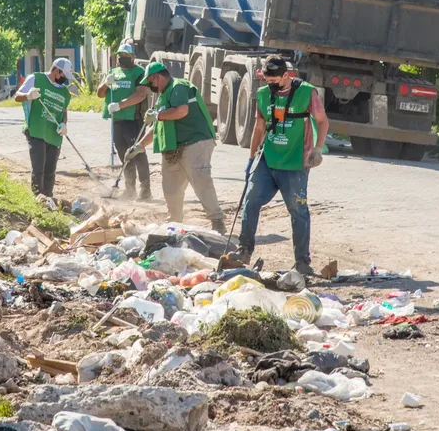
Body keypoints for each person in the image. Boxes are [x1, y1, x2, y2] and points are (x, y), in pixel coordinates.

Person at [231, 55, 329, 275]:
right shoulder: (263, 94)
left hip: (296, 163)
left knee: (298, 210)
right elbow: (259, 126)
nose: (271, 86)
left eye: (275, 81)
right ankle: (243, 250)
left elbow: (322, 121)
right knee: (251, 200)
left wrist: (318, 149)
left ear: (287, 75)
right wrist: (251, 159)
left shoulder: (306, 92)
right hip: (268, 160)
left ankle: (302, 262)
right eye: (268, 81)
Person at [124, 62, 226, 233]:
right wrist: (140, 145)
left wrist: (157, 115)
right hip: (173, 146)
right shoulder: (162, 97)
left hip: (195, 141)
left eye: (150, 81)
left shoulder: (178, 86)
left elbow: (181, 111)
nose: (150, 86)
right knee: (171, 188)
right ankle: (175, 222)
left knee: (201, 181)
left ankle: (217, 221)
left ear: (157, 76)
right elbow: (158, 126)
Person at [98, 42, 151, 200]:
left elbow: (140, 95)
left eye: (126, 56)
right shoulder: (113, 72)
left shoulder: (139, 73)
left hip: (133, 120)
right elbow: (100, 94)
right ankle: (130, 189)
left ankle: (145, 190)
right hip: (117, 121)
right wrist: (106, 83)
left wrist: (120, 105)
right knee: (123, 155)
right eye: (120, 55)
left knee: (138, 154)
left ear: (133, 57)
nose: (122, 58)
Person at [14, 57, 74, 198]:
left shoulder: (65, 93)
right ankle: (38, 199)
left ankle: (48, 198)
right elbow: (17, 96)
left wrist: (64, 124)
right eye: (63, 75)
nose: (65, 78)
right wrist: (28, 95)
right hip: (36, 130)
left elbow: (64, 112)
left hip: (54, 135)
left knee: (50, 172)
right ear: (56, 70)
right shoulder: (36, 78)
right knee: (38, 169)